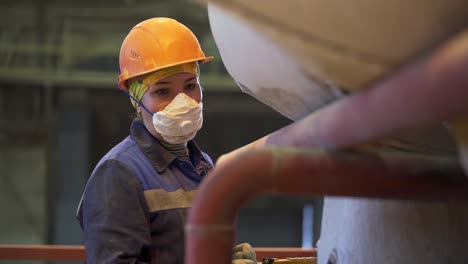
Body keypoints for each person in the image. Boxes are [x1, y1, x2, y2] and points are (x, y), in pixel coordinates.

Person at [76, 17, 256, 264]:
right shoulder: (119, 173)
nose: (182, 101)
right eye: (162, 91)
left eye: (190, 85)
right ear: (137, 102)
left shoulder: (203, 166)